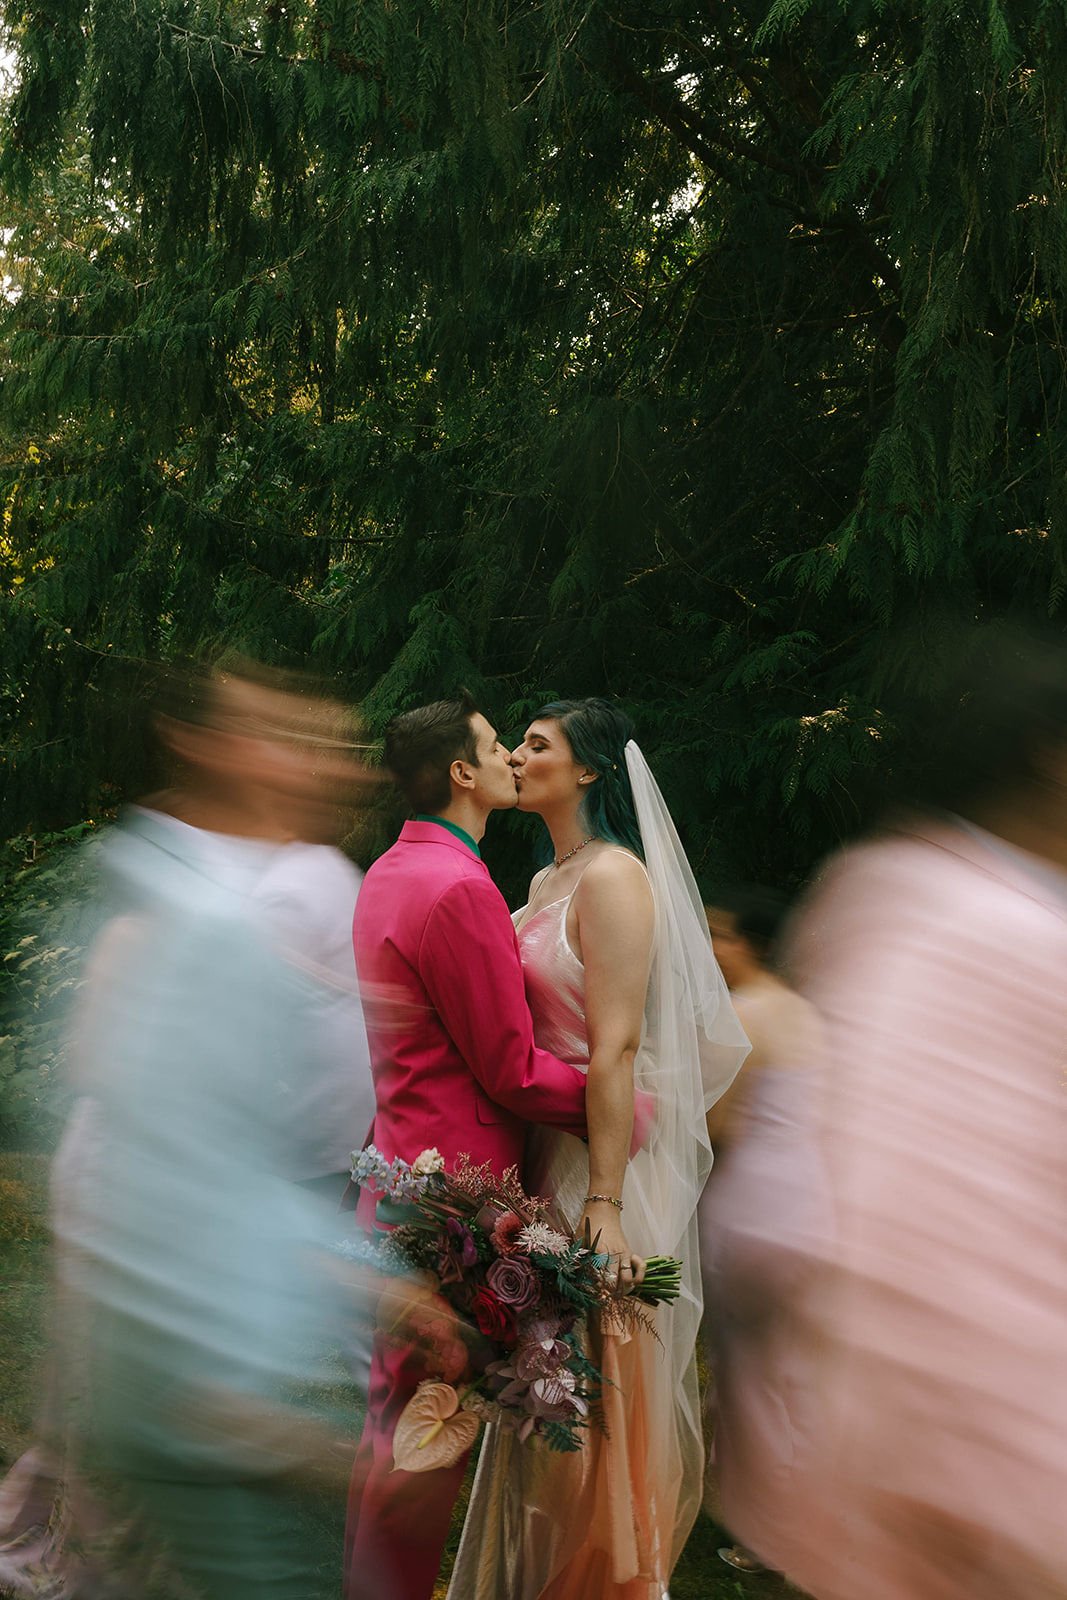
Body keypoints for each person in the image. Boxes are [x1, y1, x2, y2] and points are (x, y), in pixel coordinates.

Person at [0, 660, 376, 1600]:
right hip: (198, 1377)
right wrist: (241, 1413)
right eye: (282, 734)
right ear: (203, 746)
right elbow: (168, 1165)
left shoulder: (239, 894)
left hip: (218, 1360)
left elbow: (232, 1154)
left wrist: (367, 1283)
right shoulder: (197, 918)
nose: (324, 758)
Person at [781, 627, 1067, 1600]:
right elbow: (930, 1238)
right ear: (1049, 755)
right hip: (989, 1481)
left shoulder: (890, 901)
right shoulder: (993, 935)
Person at [448, 698, 749, 1600]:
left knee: (593, 1406)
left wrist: (606, 1206)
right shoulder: (547, 882)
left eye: (536, 745)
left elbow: (614, 1046)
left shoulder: (615, 878)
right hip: (544, 1155)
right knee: (542, 1402)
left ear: (587, 771)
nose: (515, 754)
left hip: (600, 1164)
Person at [343, 693, 611, 1600]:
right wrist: (628, 1111)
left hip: (401, 1179)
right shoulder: (458, 887)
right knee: (429, 1441)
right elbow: (508, 1071)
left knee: (395, 1432)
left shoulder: (389, 870)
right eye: (498, 746)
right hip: (453, 1208)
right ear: (461, 772)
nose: (509, 758)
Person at [699, 888, 825, 1578]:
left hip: (751, 1208)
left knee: (747, 1378)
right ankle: (801, 1514)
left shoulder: (741, 1016)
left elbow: (720, 1129)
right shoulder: (805, 1013)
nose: (713, 948)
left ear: (750, 945)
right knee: (792, 1374)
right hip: (810, 1208)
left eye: (722, 936)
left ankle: (767, 1538)